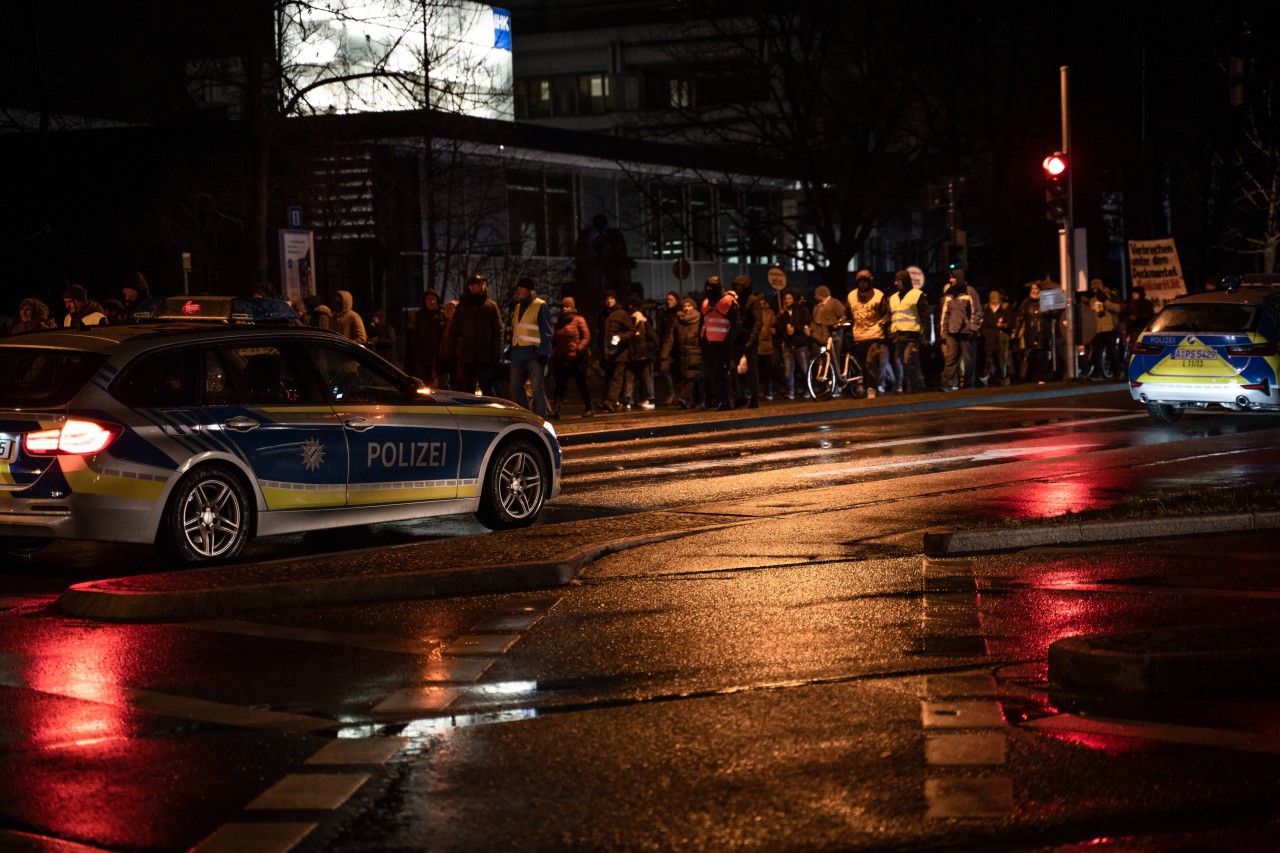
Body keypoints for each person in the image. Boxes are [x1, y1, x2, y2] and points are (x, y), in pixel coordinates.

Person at [447, 274, 503, 395]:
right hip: (467, 356)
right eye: (478, 284)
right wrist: (451, 353)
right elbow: (454, 331)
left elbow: (498, 331)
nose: (482, 286)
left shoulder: (490, 306)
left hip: (485, 357)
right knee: (468, 390)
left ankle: (492, 413)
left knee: (488, 389)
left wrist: (497, 354)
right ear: (470, 287)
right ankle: (471, 413)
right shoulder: (462, 307)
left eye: (482, 284)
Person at [508, 276, 553, 418]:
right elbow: (516, 330)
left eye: (521, 288)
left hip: (534, 356)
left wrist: (544, 354)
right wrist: (510, 349)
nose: (518, 290)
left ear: (529, 290)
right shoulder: (518, 307)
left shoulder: (540, 305)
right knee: (515, 387)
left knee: (536, 389)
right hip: (518, 355)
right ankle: (526, 417)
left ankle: (541, 419)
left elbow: (546, 332)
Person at [699, 276, 739, 410]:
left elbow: (736, 324)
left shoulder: (727, 302)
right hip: (710, 345)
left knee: (724, 374)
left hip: (724, 345)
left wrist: (728, 342)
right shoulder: (706, 303)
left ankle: (728, 400)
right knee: (714, 374)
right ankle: (720, 399)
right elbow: (704, 323)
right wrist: (702, 341)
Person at [846, 269, 888, 396]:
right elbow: (846, 312)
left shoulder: (879, 295)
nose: (862, 285)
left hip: (874, 334)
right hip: (859, 335)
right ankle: (866, 386)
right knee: (863, 364)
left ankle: (872, 388)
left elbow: (886, 312)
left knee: (870, 362)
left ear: (870, 283)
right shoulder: (851, 296)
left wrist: (884, 321)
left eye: (865, 282)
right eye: (860, 282)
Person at [939, 268, 983, 391]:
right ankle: (947, 383)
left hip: (965, 332)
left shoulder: (970, 292)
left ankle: (968, 384)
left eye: (953, 277)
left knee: (968, 359)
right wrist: (944, 333)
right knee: (951, 358)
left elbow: (977, 311)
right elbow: (945, 314)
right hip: (952, 332)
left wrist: (973, 328)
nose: (950, 280)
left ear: (958, 278)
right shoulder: (949, 293)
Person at [551, 296, 593, 418]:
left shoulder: (579, 320)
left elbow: (586, 336)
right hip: (563, 359)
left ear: (572, 307)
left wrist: (578, 349)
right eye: (563, 306)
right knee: (560, 386)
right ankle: (556, 409)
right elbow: (556, 339)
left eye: (567, 306)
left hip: (578, 359)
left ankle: (589, 407)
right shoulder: (559, 323)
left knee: (582, 384)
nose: (565, 309)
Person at [888, 269, 928, 393]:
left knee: (909, 361)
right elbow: (892, 316)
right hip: (898, 335)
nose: (896, 283)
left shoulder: (916, 295)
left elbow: (925, 315)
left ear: (905, 281)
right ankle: (910, 386)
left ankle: (913, 389)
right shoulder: (893, 298)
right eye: (895, 280)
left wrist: (925, 334)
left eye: (898, 280)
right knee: (902, 363)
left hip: (912, 335)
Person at [662, 295, 703, 409]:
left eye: (689, 306)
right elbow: (670, 338)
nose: (686, 308)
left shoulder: (699, 320)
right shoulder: (677, 321)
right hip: (682, 354)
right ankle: (693, 401)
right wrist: (664, 354)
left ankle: (684, 398)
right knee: (687, 378)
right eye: (684, 306)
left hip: (695, 352)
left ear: (693, 307)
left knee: (691, 376)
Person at [599, 290, 635, 412]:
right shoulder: (604, 315)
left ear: (615, 300)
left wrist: (620, 337)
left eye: (611, 298)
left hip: (620, 353)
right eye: (607, 299)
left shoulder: (621, 314)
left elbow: (631, 330)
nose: (609, 301)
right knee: (609, 378)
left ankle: (611, 402)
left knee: (616, 378)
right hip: (607, 353)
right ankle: (609, 401)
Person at [731, 274, 763, 408]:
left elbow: (758, 321)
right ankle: (740, 395)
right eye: (737, 287)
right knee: (732, 367)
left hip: (749, 340)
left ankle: (754, 398)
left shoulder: (752, 301)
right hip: (738, 340)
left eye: (740, 287)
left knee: (752, 371)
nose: (738, 289)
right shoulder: (737, 301)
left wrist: (752, 339)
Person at [809, 284, 847, 394]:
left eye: (816, 294)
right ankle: (825, 385)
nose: (815, 297)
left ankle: (838, 383)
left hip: (834, 337)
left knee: (834, 360)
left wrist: (837, 324)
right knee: (822, 361)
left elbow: (843, 315)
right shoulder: (817, 307)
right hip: (820, 337)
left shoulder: (834, 303)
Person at [1014, 280, 1052, 383]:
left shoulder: (1046, 301)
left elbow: (1055, 314)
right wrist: (1016, 331)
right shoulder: (1026, 302)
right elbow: (1020, 317)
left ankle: (1041, 376)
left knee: (1042, 354)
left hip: (1043, 333)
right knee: (1031, 355)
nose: (1034, 291)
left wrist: (1048, 311)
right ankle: (1032, 376)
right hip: (1030, 333)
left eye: (1036, 289)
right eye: (1032, 289)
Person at [625, 295, 659, 409]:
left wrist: (646, 348)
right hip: (634, 357)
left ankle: (650, 399)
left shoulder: (644, 324)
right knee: (631, 378)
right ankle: (628, 399)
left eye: (633, 311)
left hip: (645, 356)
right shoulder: (630, 325)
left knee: (647, 379)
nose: (632, 314)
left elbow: (654, 340)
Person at [776, 291, 811, 399]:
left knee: (804, 369)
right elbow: (779, 328)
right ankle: (791, 391)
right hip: (788, 344)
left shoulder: (802, 310)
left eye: (789, 298)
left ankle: (807, 389)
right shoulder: (784, 314)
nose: (787, 301)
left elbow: (807, 323)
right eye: (785, 299)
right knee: (788, 370)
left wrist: (795, 329)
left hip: (800, 344)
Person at [978, 289, 1013, 386]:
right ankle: (990, 376)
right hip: (989, 337)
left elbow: (1010, 321)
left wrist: (1004, 325)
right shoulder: (986, 309)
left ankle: (1003, 377)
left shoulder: (1005, 308)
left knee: (1002, 358)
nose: (994, 300)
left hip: (1001, 337)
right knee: (989, 358)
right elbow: (984, 324)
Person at [1089, 279, 1121, 380]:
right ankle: (1098, 373)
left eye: (1097, 288)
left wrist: (1105, 301)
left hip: (1110, 328)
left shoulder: (1111, 295)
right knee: (1096, 353)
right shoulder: (1092, 300)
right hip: (1098, 329)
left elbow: (1117, 309)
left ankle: (1117, 373)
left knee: (1112, 351)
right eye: (1093, 288)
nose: (1095, 290)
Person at [411, 290, 445, 386]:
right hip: (423, 358)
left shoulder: (442, 315)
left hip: (438, 359)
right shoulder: (419, 315)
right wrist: (416, 355)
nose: (432, 302)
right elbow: (416, 335)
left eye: (434, 299)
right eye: (429, 299)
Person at [659, 290, 681, 404]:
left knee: (678, 371)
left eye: (671, 299)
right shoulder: (665, 315)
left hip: (678, 347)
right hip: (667, 346)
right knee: (664, 368)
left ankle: (678, 394)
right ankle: (671, 392)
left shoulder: (680, 313)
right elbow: (662, 332)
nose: (668, 302)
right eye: (667, 299)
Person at [757, 295, 778, 400]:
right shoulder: (754, 311)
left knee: (768, 370)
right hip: (756, 345)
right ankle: (756, 391)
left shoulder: (769, 312)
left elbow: (772, 325)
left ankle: (768, 391)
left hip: (766, 346)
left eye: (762, 300)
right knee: (757, 370)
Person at [438, 299, 458, 389]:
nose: (448, 310)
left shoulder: (459, 325)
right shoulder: (443, 325)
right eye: (446, 308)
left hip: (454, 360)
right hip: (443, 360)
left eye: (451, 308)